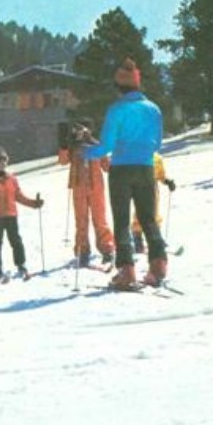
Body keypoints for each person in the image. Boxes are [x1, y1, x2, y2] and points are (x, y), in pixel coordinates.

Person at [83, 57, 168, 290]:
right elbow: (158, 144)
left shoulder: (117, 109)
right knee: (148, 219)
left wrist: (85, 152)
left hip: (121, 169)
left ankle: (126, 271)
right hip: (146, 167)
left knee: (121, 222)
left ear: (119, 86)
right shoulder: (153, 109)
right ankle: (158, 265)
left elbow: (105, 147)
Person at [0, 146, 44, 282]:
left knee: (16, 240)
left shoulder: (11, 179)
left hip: (10, 214)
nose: (2, 162)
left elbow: (19, 196)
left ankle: (21, 264)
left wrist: (34, 203)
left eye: (5, 159)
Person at [58, 118, 114, 267]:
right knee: (81, 221)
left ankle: (107, 249)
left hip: (96, 187)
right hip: (79, 187)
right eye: (78, 130)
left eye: (84, 130)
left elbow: (108, 166)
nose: (81, 133)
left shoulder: (96, 146)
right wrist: (64, 145)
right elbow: (63, 161)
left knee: (100, 219)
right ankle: (82, 251)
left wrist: (93, 141)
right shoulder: (74, 147)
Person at [130, 153, 176, 253]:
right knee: (140, 213)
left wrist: (167, 181)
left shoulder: (157, 158)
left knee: (155, 212)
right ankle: (137, 237)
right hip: (139, 187)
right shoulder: (135, 155)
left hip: (153, 188)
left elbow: (161, 175)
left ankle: (156, 237)